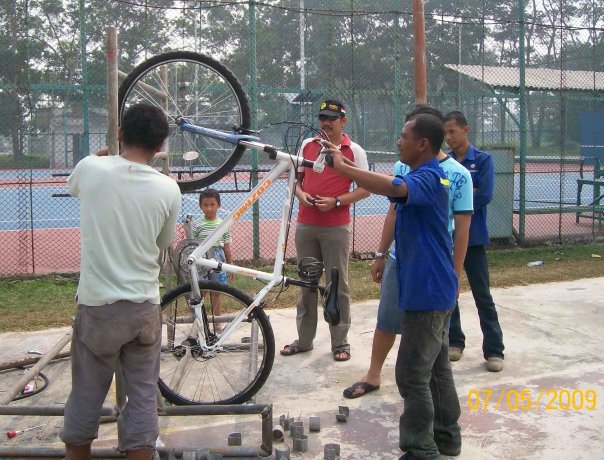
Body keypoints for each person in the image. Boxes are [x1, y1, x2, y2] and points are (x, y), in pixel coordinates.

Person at [328, 113, 462, 459]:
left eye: (404, 136)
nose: (398, 141)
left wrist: (344, 169)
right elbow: (395, 190)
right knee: (435, 368)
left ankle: (421, 449)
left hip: (428, 292)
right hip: (432, 288)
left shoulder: (430, 177)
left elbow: (392, 187)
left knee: (411, 374)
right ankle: (447, 436)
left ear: (423, 145)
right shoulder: (426, 174)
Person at [61, 103, 182, 460]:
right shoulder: (168, 189)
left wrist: (104, 155)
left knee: (86, 391)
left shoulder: (90, 169)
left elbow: (76, 183)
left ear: (119, 134)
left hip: (98, 307)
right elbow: (163, 243)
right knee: (142, 394)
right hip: (143, 306)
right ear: (160, 147)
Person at [281, 99, 370, 361]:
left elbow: (366, 187)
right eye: (322, 118)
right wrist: (301, 195)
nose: (326, 123)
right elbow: (294, 181)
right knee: (306, 283)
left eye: (332, 118)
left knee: (337, 284)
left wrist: (338, 201)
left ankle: (340, 342)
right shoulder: (308, 146)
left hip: (336, 227)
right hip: (306, 225)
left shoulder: (353, 151)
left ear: (344, 120)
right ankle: (304, 339)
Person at [444, 110, 505, 372]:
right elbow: (443, 192)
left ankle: (494, 350)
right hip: (448, 237)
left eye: (452, 132)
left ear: (466, 129)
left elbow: (485, 194)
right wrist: (464, 193)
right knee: (450, 292)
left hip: (474, 239)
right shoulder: (444, 162)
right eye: (445, 133)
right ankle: (455, 341)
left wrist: (458, 197)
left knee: (483, 295)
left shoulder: (483, 160)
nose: (448, 138)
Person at [192, 188, 234, 319]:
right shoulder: (197, 224)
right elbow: (191, 245)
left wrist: (230, 265)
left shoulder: (223, 224)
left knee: (217, 291)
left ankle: (218, 321)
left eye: (212, 205)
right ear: (200, 206)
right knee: (201, 292)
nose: (209, 208)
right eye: (205, 205)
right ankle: (199, 322)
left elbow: (226, 247)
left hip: (218, 259)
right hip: (201, 259)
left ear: (219, 205)